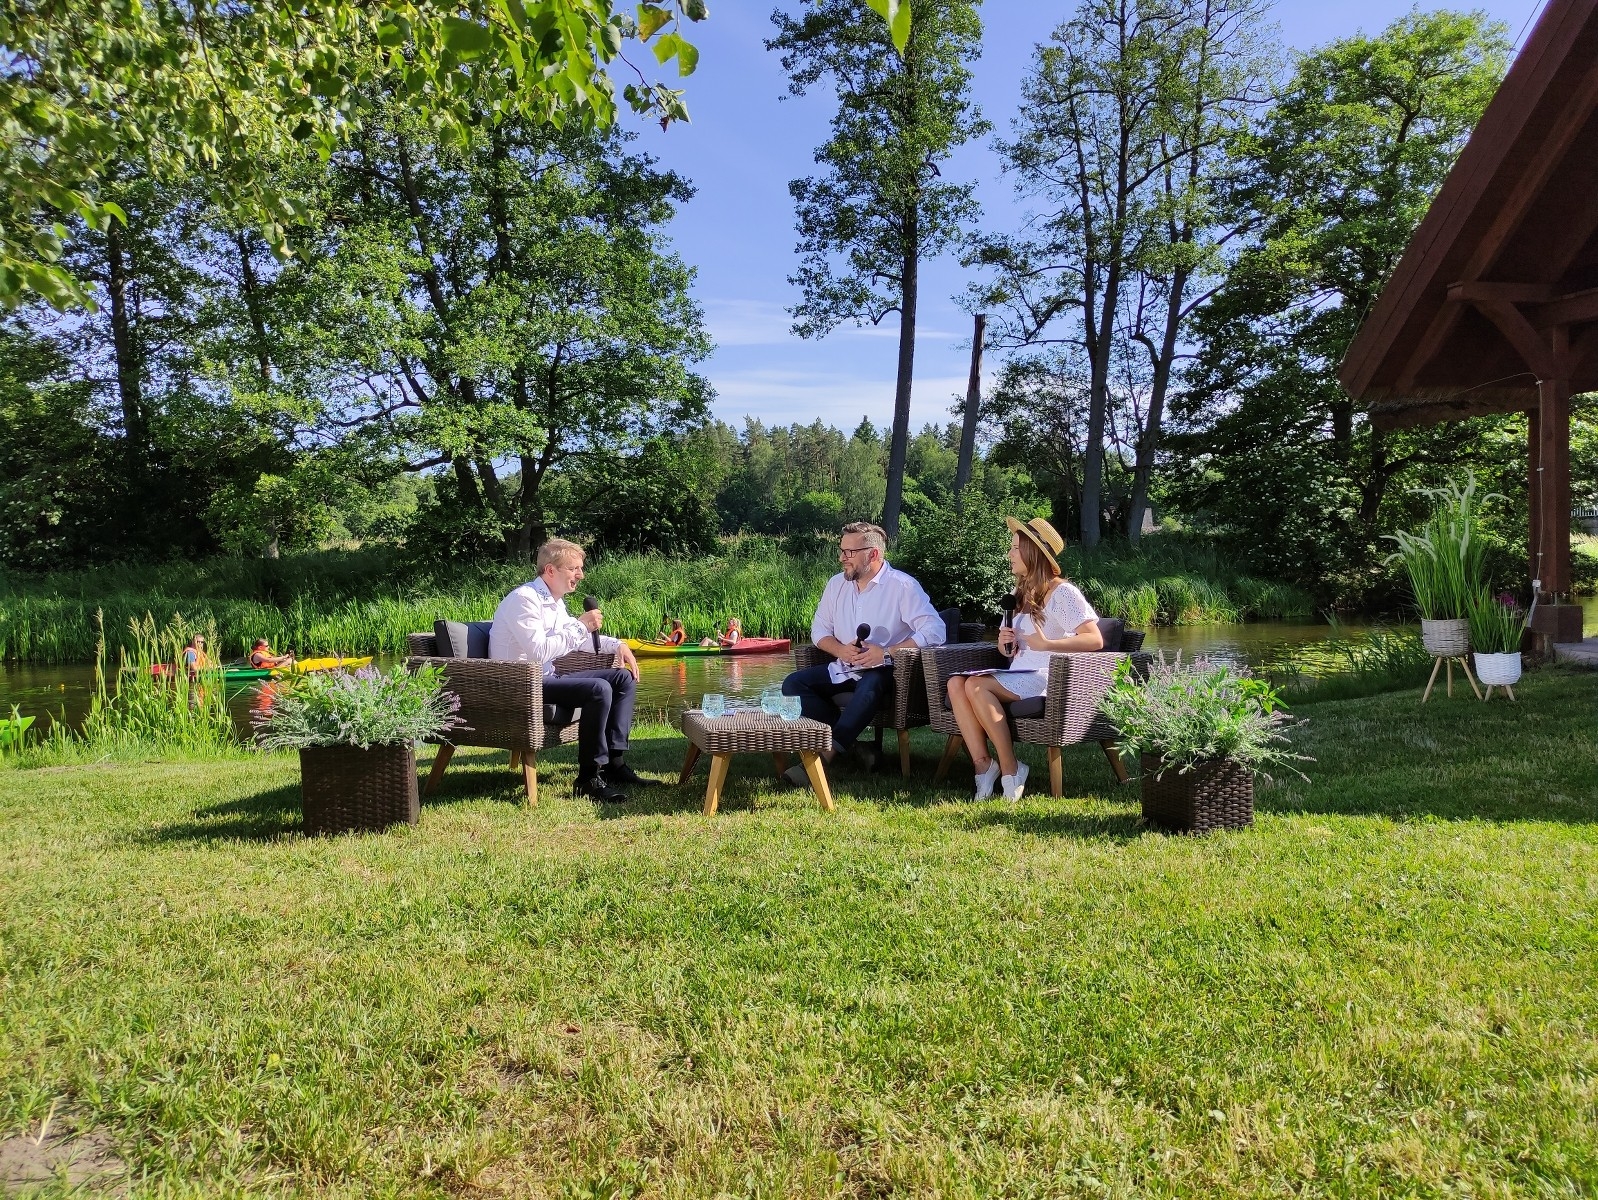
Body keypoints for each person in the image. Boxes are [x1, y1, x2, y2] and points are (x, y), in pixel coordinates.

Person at [945, 517, 1102, 802]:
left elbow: (1095, 639)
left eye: (1016, 548)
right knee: (956, 683)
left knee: (976, 685)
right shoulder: (1020, 594)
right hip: (1019, 673)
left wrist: (1048, 644)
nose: (1010, 554)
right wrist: (1006, 645)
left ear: (1034, 552)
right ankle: (983, 765)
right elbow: (1014, 648)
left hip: (1047, 677)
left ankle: (1011, 768)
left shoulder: (1063, 592)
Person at [780, 521, 946, 783]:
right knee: (792, 684)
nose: (842, 558)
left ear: (873, 554)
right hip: (845, 667)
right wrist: (841, 650)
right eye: (841, 550)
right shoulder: (836, 585)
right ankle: (856, 747)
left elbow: (935, 630)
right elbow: (819, 630)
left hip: (888, 672)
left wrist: (887, 652)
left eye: (850, 552)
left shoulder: (902, 586)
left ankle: (825, 757)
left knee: (871, 682)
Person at [488, 538, 650, 802]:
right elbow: (539, 651)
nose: (580, 575)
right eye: (574, 568)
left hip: (545, 678)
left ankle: (614, 764)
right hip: (520, 684)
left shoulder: (554, 601)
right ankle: (588, 779)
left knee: (622, 678)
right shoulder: (523, 600)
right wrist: (581, 625)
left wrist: (617, 645)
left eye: (580, 568)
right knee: (598, 689)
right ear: (550, 570)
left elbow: (578, 640)